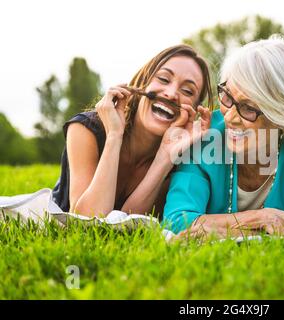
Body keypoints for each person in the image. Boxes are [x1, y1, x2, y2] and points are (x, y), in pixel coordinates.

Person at [163, 37, 284, 239]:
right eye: (227, 97)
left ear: (283, 114)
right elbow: (177, 219)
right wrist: (259, 219)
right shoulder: (205, 132)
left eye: (247, 108)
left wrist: (215, 226)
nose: (229, 117)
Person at [52, 44, 213, 219]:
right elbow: (87, 219)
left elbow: (127, 222)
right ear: (142, 84)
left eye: (187, 90)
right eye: (164, 79)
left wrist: (165, 157)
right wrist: (114, 135)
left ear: (195, 110)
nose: (171, 93)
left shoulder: (181, 161)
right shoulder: (85, 128)